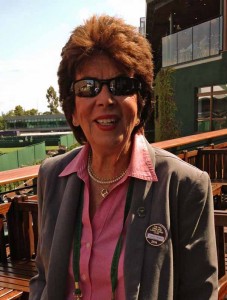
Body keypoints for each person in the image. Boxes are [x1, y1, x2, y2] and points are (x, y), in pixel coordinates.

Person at [29, 15, 218, 300]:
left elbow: (199, 293)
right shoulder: (52, 175)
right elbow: (44, 274)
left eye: (121, 85)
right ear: (73, 111)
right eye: (88, 87)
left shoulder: (185, 185)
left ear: (141, 104)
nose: (105, 99)